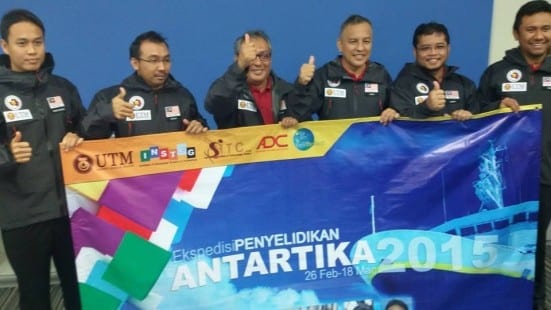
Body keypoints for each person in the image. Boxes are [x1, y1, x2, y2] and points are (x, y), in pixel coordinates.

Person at [0, 9, 83, 309]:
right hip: (24, 217)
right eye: (22, 43)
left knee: (81, 292)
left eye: (38, 42)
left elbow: (84, 129)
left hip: (71, 213)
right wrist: (8, 154)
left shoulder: (62, 88)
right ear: (5, 45)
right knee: (35, 297)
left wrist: (80, 137)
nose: (32, 50)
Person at [477, 1, 551, 308]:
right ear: (516, 33)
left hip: (548, 176)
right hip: (511, 180)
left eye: (546, 28)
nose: (539, 36)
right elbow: (475, 120)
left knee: (540, 251)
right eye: (531, 29)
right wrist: (495, 109)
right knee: (510, 248)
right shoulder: (496, 73)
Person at [83, 31, 208, 138]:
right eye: (153, 60)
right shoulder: (110, 97)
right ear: (135, 63)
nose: (162, 67)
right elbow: (85, 136)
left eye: (167, 60)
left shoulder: (182, 95)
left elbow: (201, 127)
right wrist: (108, 111)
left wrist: (198, 126)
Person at [289, 14, 398, 124]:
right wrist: (301, 84)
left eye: (366, 41)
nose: (360, 48)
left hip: (371, 141)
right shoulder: (324, 76)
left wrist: (393, 112)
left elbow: (397, 112)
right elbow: (297, 114)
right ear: (340, 45)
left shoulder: (381, 75)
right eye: (353, 41)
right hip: (334, 141)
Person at [204, 30, 298, 129]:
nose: (258, 63)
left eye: (264, 56)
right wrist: (239, 66)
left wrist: (295, 124)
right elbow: (214, 105)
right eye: (251, 57)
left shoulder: (287, 91)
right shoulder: (228, 91)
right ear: (237, 58)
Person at [389, 22, 477, 121]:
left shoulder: (465, 85)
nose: (433, 53)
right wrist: (426, 107)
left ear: (448, 49)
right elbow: (399, 123)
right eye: (425, 48)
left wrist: (468, 116)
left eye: (439, 47)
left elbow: (481, 126)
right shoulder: (402, 85)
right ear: (415, 52)